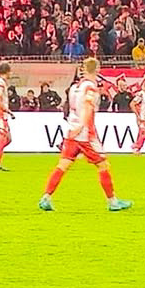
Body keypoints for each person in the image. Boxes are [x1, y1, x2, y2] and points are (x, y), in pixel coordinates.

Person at [39, 57, 132, 212]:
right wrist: (82, 126)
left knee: (63, 165)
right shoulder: (90, 87)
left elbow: (70, 107)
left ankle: (46, 198)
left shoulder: (75, 87)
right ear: (97, 69)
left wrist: (74, 127)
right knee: (103, 165)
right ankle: (112, 202)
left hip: (71, 131)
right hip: (84, 134)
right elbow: (88, 108)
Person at [130, 84, 145, 153]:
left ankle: (137, 149)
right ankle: (135, 146)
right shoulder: (141, 94)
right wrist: (138, 115)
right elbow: (132, 104)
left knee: (142, 133)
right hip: (142, 118)